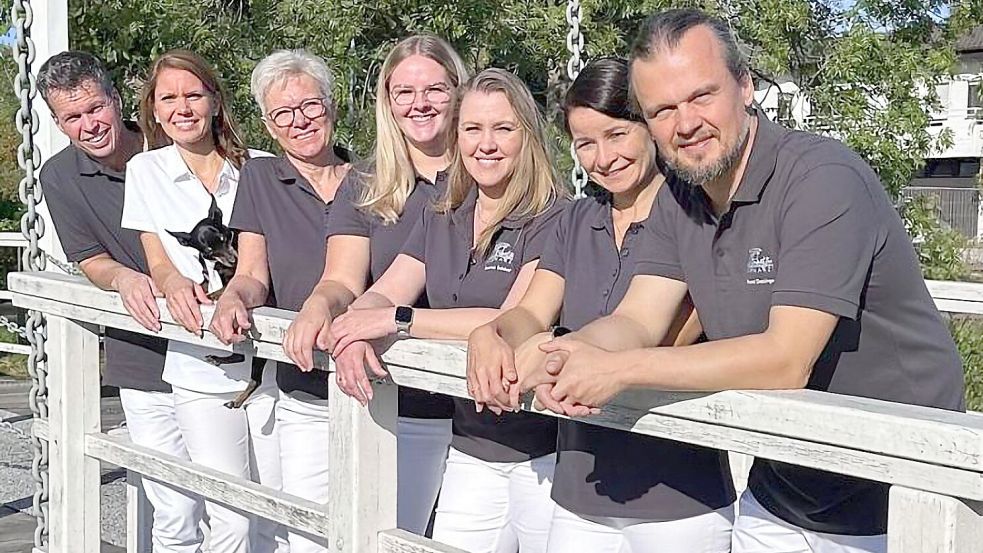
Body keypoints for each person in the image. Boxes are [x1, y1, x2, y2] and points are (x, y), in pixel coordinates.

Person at [526, 9, 966, 553]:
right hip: (782, 478)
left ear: (746, 86)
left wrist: (619, 370)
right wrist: (560, 355)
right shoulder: (679, 197)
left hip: (901, 493)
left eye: (702, 96)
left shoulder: (822, 179)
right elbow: (637, 319)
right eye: (662, 110)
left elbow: (786, 358)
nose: (685, 123)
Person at [467, 57, 735, 553]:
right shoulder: (575, 220)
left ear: (649, 128)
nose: (601, 157)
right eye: (585, 143)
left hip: (676, 495)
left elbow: (667, 331)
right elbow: (533, 310)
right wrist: (493, 333)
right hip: (580, 485)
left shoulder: (696, 217)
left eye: (616, 135)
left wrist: (549, 352)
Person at [328, 68, 568, 553]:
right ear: (456, 137)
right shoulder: (445, 211)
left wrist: (398, 321)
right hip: (471, 445)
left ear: (528, 134)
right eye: (473, 129)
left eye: (503, 129)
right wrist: (354, 329)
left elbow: (514, 315)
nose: (487, 144)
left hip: (543, 450)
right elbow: (391, 286)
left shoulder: (555, 215)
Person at [282, 35, 468, 535]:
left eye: (434, 89)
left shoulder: (487, 173)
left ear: (459, 91)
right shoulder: (366, 181)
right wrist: (323, 310)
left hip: (472, 402)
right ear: (387, 101)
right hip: (392, 398)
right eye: (403, 92)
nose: (419, 103)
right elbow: (342, 277)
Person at [38, 50, 205, 553]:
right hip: (142, 353)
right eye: (73, 117)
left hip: (215, 349)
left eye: (96, 108)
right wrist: (123, 279)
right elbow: (89, 257)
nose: (89, 125)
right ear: (57, 122)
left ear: (115, 99)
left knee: (236, 504)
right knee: (173, 510)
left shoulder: (173, 142)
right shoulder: (59, 178)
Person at [121, 49, 285, 553]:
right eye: (168, 97)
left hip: (274, 363)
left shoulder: (260, 166)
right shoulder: (146, 169)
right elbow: (158, 257)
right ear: (154, 106)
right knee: (230, 516)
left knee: (279, 513)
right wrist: (170, 282)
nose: (182, 107)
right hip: (198, 362)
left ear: (215, 101)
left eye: (193, 94)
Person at [208, 48, 352, 553]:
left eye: (310, 105)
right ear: (269, 125)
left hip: (380, 379)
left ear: (332, 106)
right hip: (303, 381)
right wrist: (233, 298)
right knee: (309, 529)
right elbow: (251, 274)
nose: (299, 122)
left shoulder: (374, 179)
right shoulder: (261, 179)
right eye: (282, 114)